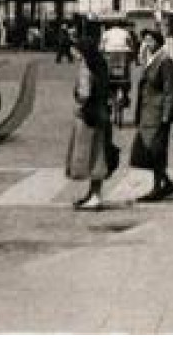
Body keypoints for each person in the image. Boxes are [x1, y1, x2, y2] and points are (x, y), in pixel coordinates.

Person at [131, 29, 173, 202]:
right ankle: (164, 183)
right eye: (145, 40)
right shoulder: (151, 60)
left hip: (158, 114)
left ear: (159, 42)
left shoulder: (165, 62)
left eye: (151, 40)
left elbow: (170, 90)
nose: (147, 43)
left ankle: (159, 187)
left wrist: (166, 116)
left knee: (156, 151)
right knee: (147, 151)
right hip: (148, 112)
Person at [67, 35, 113, 210]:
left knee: (90, 155)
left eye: (74, 49)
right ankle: (94, 193)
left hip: (88, 116)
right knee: (98, 153)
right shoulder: (100, 64)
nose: (72, 53)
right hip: (100, 113)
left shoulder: (86, 67)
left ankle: (95, 197)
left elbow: (84, 93)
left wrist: (78, 97)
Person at [101, 22, 134, 107]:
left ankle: (108, 96)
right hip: (123, 53)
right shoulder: (125, 32)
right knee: (126, 74)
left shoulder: (106, 33)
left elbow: (101, 47)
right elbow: (130, 44)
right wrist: (132, 52)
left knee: (107, 74)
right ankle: (125, 94)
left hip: (110, 53)